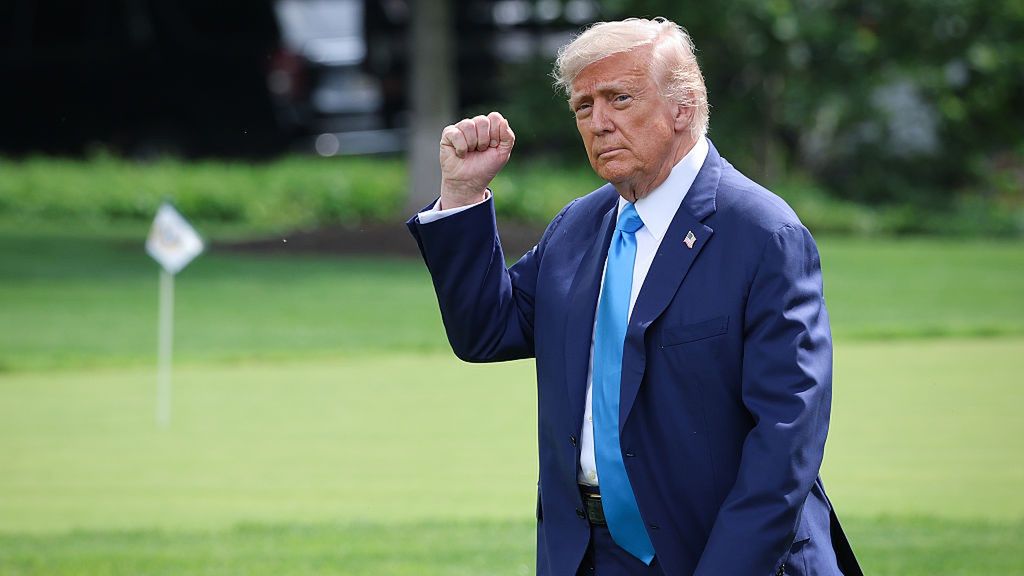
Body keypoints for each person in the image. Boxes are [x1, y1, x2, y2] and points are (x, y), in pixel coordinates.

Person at [406, 17, 861, 576]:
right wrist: (463, 196)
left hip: (721, 556)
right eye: (583, 106)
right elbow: (487, 331)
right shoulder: (578, 226)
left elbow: (785, 445)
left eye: (620, 98)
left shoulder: (764, 234)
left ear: (683, 106)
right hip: (587, 556)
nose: (599, 122)